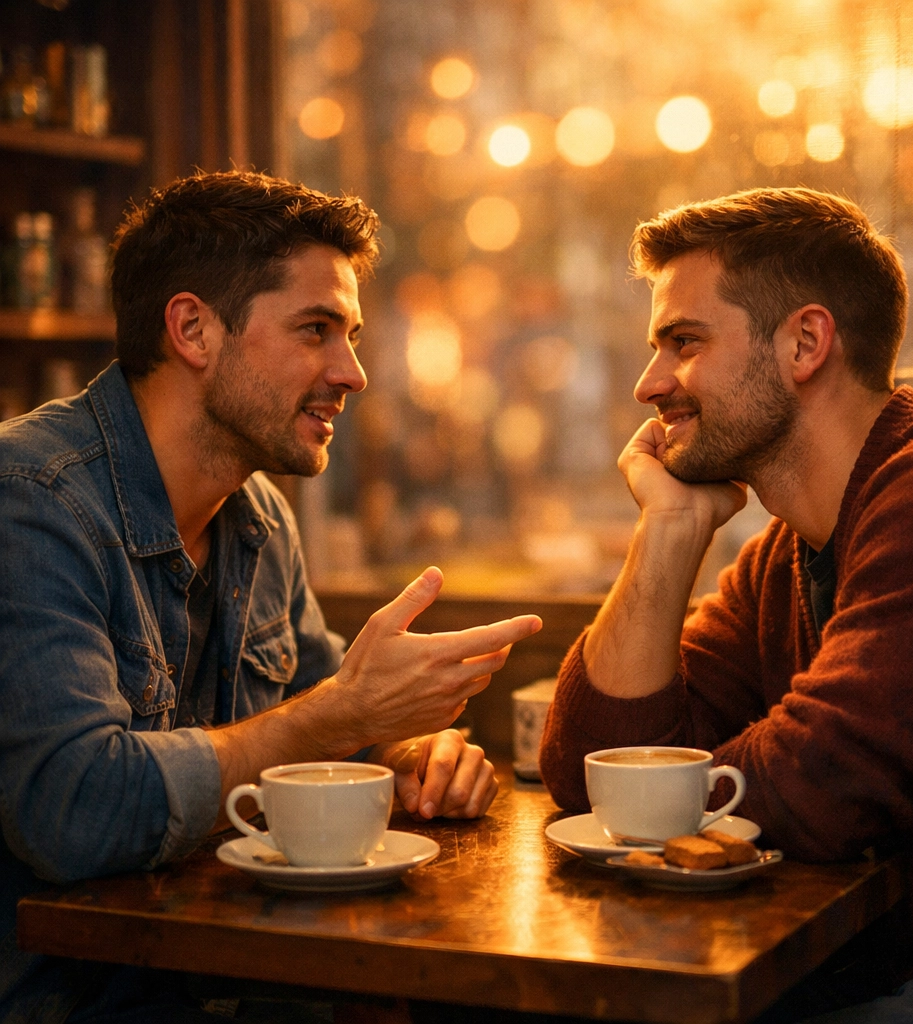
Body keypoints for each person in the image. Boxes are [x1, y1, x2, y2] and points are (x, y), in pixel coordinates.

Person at [0, 170, 542, 1024]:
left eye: (352, 335)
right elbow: (74, 810)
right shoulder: (31, 501)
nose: (354, 372)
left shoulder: (255, 516)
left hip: (228, 981)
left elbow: (325, 719)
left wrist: (410, 758)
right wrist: (339, 719)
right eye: (317, 330)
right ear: (192, 329)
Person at [539, 188, 913, 1023]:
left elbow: (826, 784)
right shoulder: (783, 556)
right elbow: (589, 772)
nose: (649, 385)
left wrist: (658, 797)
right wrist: (670, 526)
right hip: (884, 964)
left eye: (683, 343)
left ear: (805, 342)